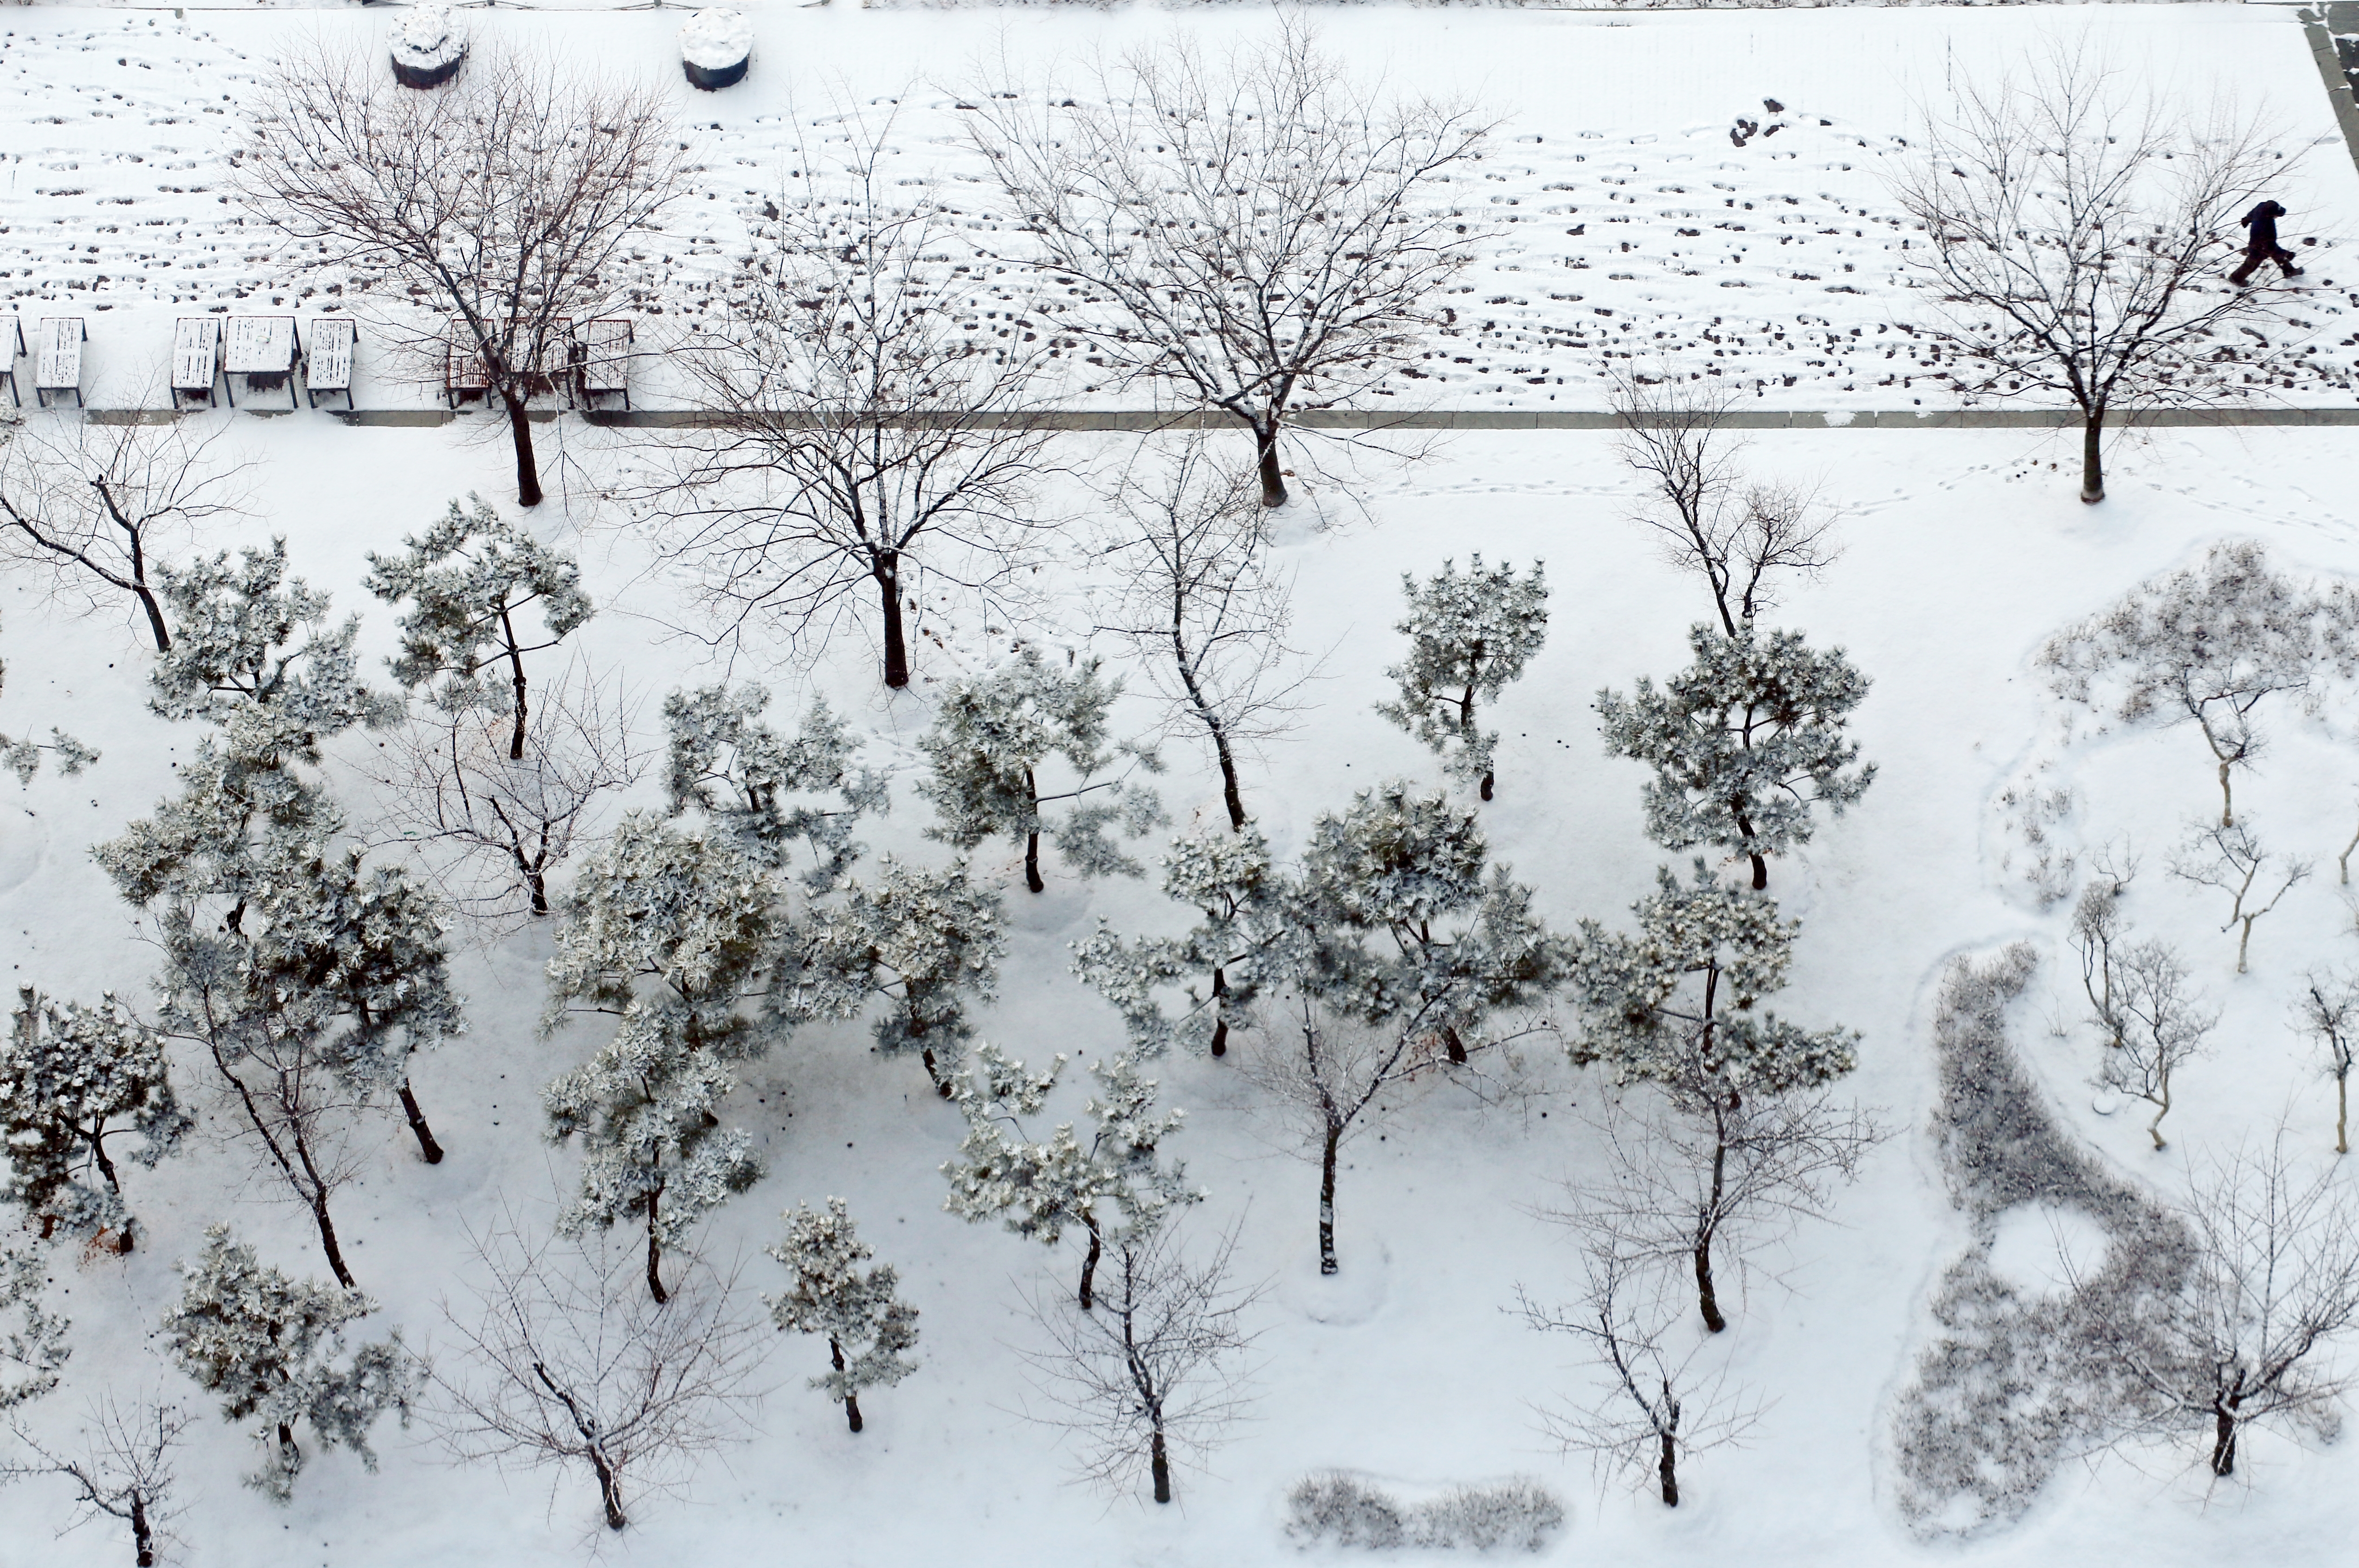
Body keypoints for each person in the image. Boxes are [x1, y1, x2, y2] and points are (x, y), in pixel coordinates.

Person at [2230, 200, 2303, 285]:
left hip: (2260, 243)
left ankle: (2289, 271)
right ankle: (2236, 279)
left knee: (2276, 255)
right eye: (2276, 216)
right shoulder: (2265, 225)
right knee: (2252, 264)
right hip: (2259, 246)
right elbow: (2271, 246)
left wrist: (2247, 219)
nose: (2277, 218)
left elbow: (2253, 213)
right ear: (2271, 214)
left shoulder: (2262, 207)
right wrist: (2286, 254)